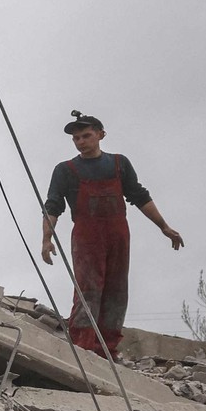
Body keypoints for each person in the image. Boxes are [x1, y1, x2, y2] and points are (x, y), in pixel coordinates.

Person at [43, 110, 184, 360]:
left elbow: (139, 196)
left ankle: (107, 349)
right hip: (87, 237)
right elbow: (53, 205)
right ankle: (83, 346)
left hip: (118, 234)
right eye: (76, 139)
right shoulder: (65, 170)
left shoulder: (119, 164)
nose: (81, 142)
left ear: (101, 135)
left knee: (117, 290)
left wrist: (164, 226)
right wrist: (46, 238)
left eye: (86, 136)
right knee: (89, 289)